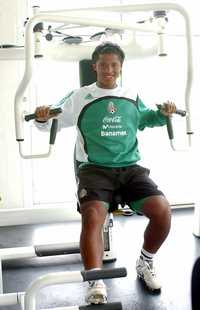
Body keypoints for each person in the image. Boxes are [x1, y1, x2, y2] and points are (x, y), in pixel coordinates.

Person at [34, 41, 176, 305]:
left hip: (131, 169)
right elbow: (50, 122)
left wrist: (163, 113)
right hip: (94, 170)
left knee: (162, 211)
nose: (108, 69)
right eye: (103, 64)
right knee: (92, 217)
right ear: (94, 67)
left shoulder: (131, 94)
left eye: (114, 65)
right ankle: (95, 279)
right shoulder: (79, 96)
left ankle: (145, 262)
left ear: (120, 67)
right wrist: (42, 117)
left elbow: (147, 118)